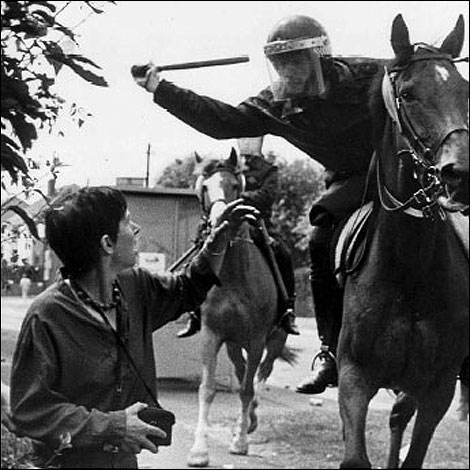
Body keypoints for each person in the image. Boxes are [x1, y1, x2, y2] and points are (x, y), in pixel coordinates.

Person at [133, 14, 386, 394]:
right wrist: (160, 88)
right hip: (349, 181)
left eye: (295, 61)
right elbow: (222, 121)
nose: (288, 71)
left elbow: (422, 81)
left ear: (320, 56)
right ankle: (330, 353)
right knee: (319, 241)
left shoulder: (370, 73)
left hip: (397, 167)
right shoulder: (276, 105)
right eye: (280, 63)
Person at [9, 186, 259, 469]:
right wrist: (114, 427)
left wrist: (217, 240)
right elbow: (29, 410)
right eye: (127, 221)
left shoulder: (135, 286)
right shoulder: (47, 315)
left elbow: (188, 288)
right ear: (107, 243)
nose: (136, 228)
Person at [176, 136, 299, 338]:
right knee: (198, 250)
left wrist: (238, 198)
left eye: (252, 138)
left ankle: (287, 309)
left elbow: (267, 196)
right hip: (222, 221)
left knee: (283, 254)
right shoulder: (227, 166)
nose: (247, 143)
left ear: (260, 142)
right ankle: (194, 312)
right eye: (243, 138)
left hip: (257, 222)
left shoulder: (269, 170)